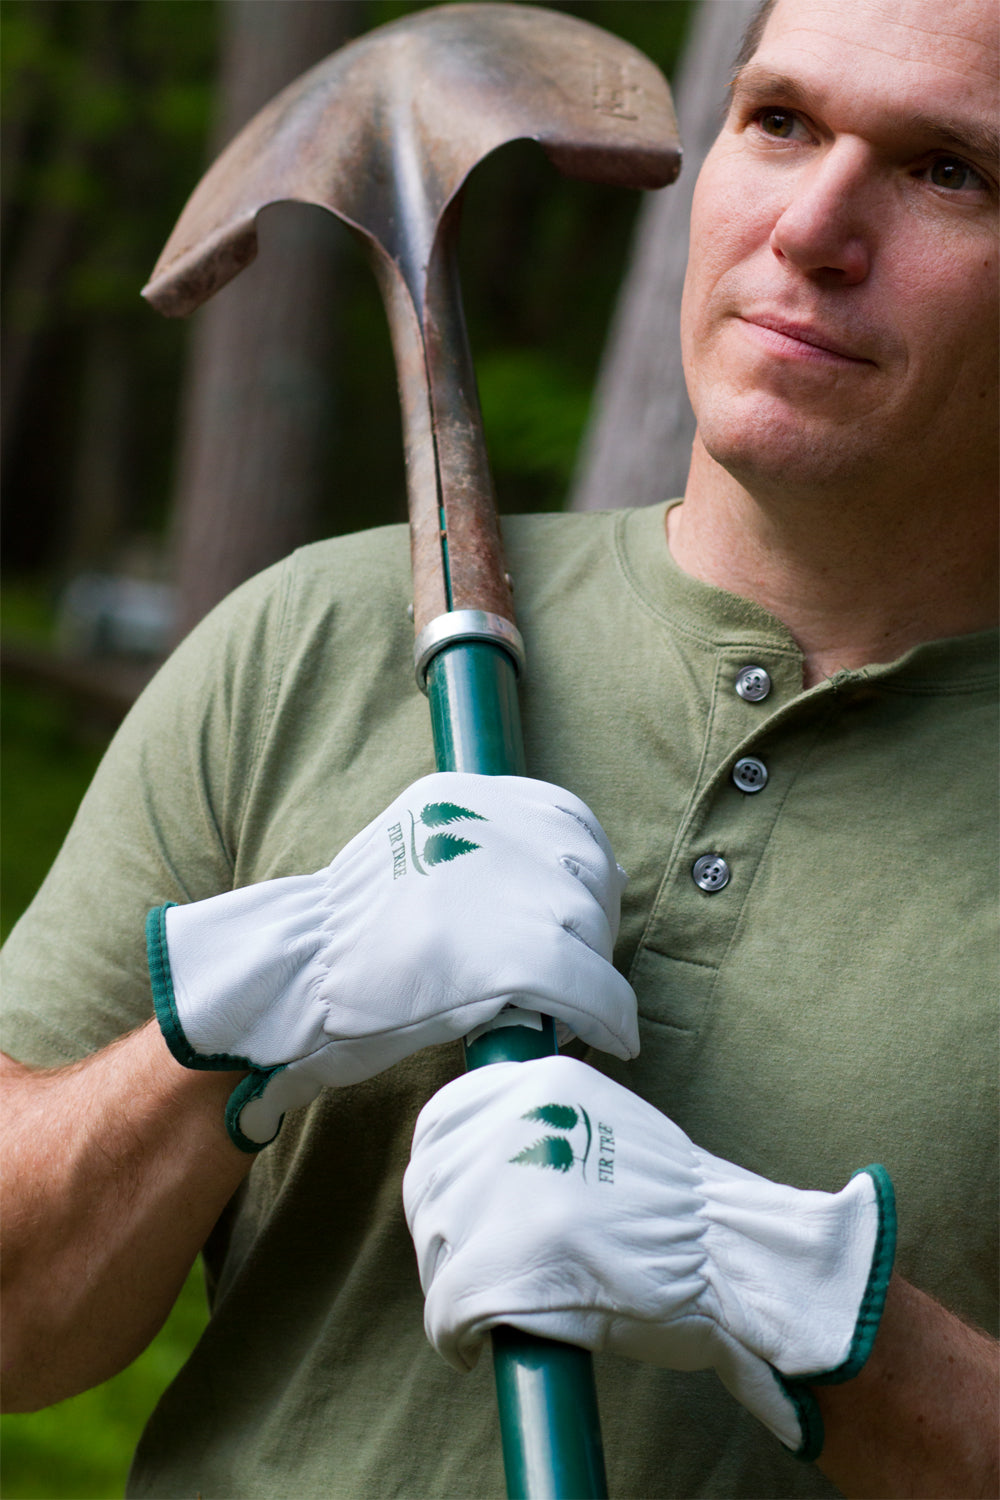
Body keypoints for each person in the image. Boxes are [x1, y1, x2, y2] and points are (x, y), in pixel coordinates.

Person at [2, 0, 996, 1495]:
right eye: (780, 121)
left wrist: (818, 1311)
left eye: (947, 173)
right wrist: (243, 1016)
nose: (812, 228)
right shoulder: (312, 643)